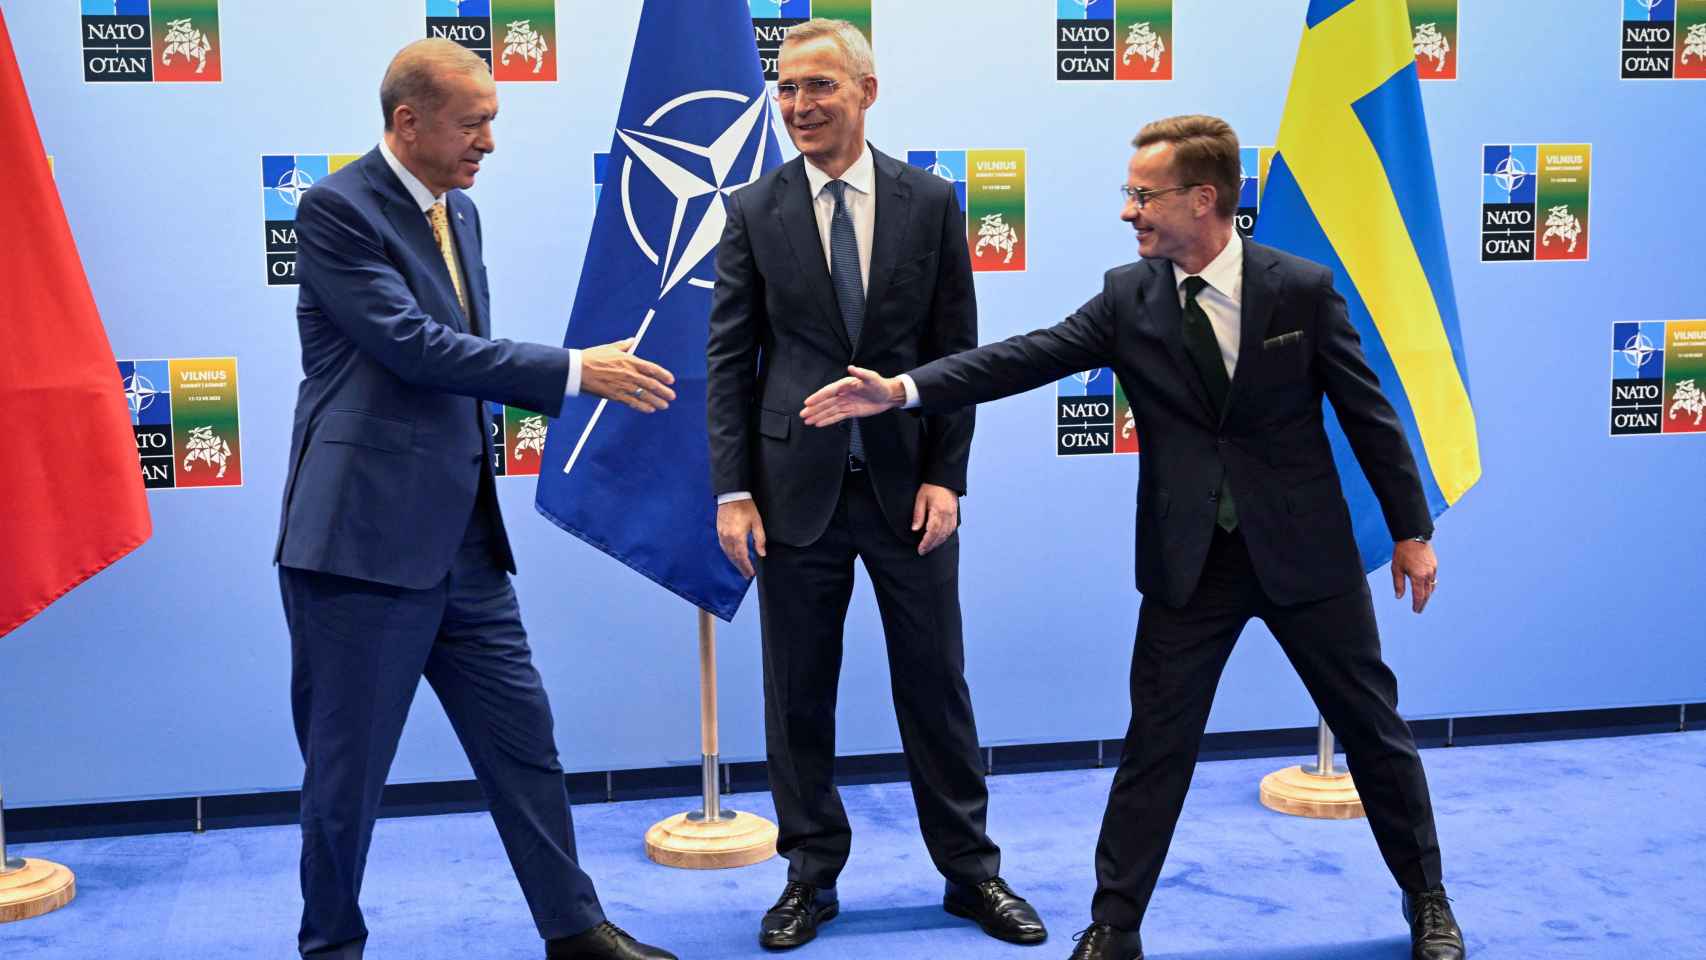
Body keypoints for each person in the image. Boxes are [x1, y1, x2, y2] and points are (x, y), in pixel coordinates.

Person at [799, 114, 1467, 960]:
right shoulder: (1128, 295)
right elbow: (1021, 357)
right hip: (1190, 566)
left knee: (1373, 732)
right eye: (1130, 195)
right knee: (1155, 748)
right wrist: (901, 391)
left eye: (1142, 195)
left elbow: (1368, 414)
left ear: (1203, 198)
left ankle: (1429, 901)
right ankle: (1114, 924)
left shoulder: (1300, 287)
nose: (1129, 212)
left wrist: (1411, 529)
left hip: (1308, 555)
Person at [274, 38, 677, 960]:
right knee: (347, 779)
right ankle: (329, 949)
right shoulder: (337, 210)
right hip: (361, 546)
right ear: (408, 122)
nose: (490, 140)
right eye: (474, 121)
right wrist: (576, 371)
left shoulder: (462, 215)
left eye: (493, 119)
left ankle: (575, 933)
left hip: (464, 544)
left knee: (524, 747)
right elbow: (415, 347)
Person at [705, 17, 1046, 953]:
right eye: (787, 89)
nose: (800, 106)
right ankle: (810, 876)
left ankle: (971, 873)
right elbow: (730, 360)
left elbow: (957, 357)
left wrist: (948, 476)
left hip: (908, 493)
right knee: (797, 692)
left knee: (936, 685)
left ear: (866, 90)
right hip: (792, 494)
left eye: (820, 87)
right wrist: (733, 489)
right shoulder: (750, 209)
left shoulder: (932, 202)